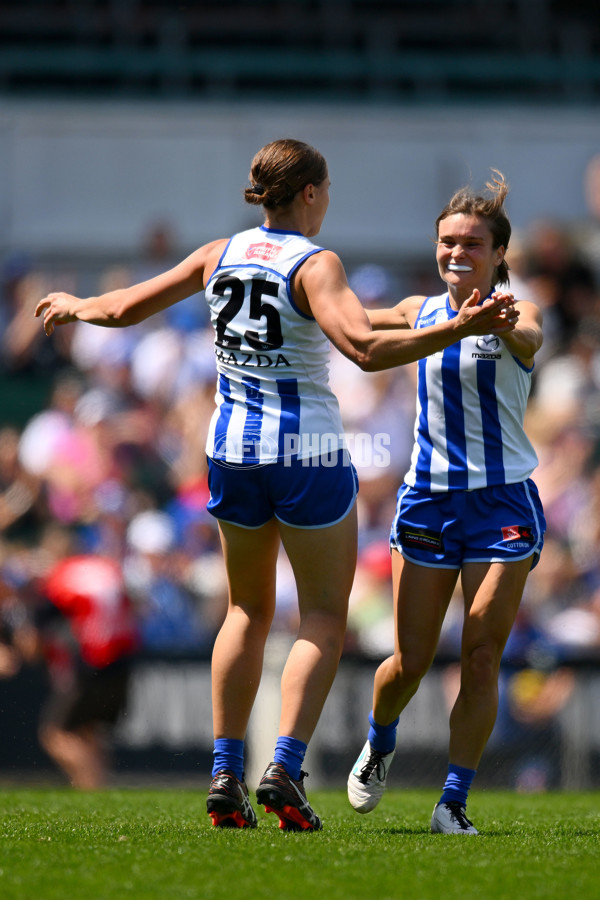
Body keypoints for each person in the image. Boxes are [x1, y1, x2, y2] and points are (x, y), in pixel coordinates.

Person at [36, 140, 517, 829]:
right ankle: (284, 768)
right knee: (321, 616)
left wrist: (77, 303)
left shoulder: (218, 253)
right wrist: (457, 327)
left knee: (244, 612)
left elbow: (122, 311)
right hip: (307, 451)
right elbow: (362, 347)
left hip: (230, 448)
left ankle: (225, 773)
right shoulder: (317, 263)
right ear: (312, 194)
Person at [347, 170, 545, 834]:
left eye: (471, 244)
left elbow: (529, 341)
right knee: (410, 661)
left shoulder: (519, 308)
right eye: (447, 243)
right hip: (428, 503)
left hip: (502, 503)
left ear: (497, 254)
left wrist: (501, 325)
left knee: (483, 650)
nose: (457, 254)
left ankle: (453, 800)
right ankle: (381, 737)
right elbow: (346, 324)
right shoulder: (418, 311)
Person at [22, 536, 139, 789]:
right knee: (89, 729)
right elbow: (133, 608)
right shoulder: (106, 568)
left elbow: (35, 639)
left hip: (93, 664)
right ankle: (102, 789)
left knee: (55, 733)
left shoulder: (62, 576)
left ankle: (92, 788)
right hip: (123, 662)